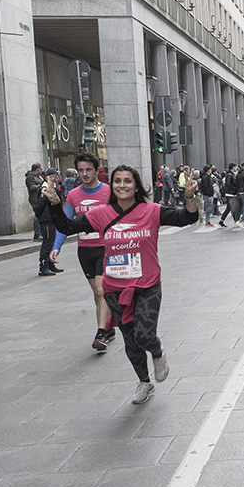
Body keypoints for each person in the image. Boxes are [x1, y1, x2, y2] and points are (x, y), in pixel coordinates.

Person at [47, 165, 199, 404]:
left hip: (147, 284)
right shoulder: (101, 214)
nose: (122, 185)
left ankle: (157, 351)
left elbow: (187, 218)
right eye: (117, 181)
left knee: (144, 335)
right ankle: (144, 382)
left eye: (127, 181)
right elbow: (67, 227)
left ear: (136, 186)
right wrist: (56, 204)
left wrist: (189, 196)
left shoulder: (152, 211)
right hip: (115, 288)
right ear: (112, 186)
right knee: (130, 339)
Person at [53, 153, 117, 350]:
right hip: (85, 250)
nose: (84, 174)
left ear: (97, 170)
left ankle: (101, 334)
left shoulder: (109, 192)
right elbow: (66, 224)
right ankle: (109, 325)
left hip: (106, 248)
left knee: (101, 289)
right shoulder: (73, 195)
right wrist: (56, 247)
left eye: (88, 169)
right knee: (97, 293)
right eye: (81, 170)